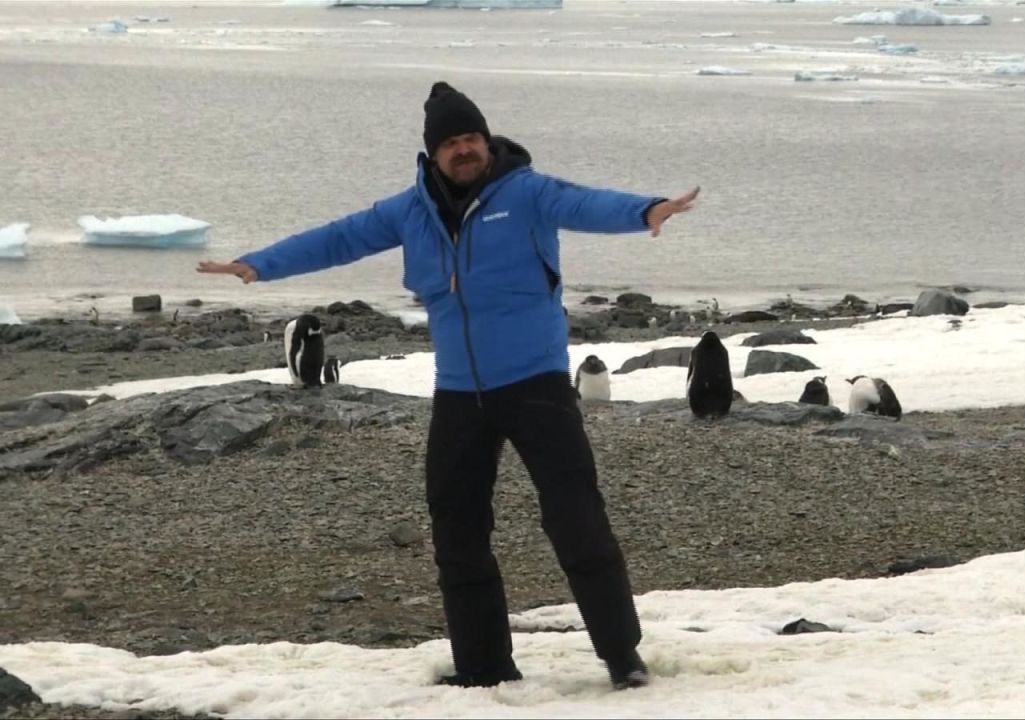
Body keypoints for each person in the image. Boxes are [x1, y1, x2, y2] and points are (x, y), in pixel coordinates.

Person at [197, 81, 698, 690]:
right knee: (457, 532)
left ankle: (622, 657)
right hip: (460, 392)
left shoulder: (528, 192)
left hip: (536, 381)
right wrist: (260, 264)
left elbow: (585, 203)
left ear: (487, 143)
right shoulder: (410, 210)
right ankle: (483, 668)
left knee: (576, 521)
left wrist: (646, 210)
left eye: (472, 138)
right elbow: (337, 238)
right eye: (452, 142)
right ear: (433, 153)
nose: (465, 149)